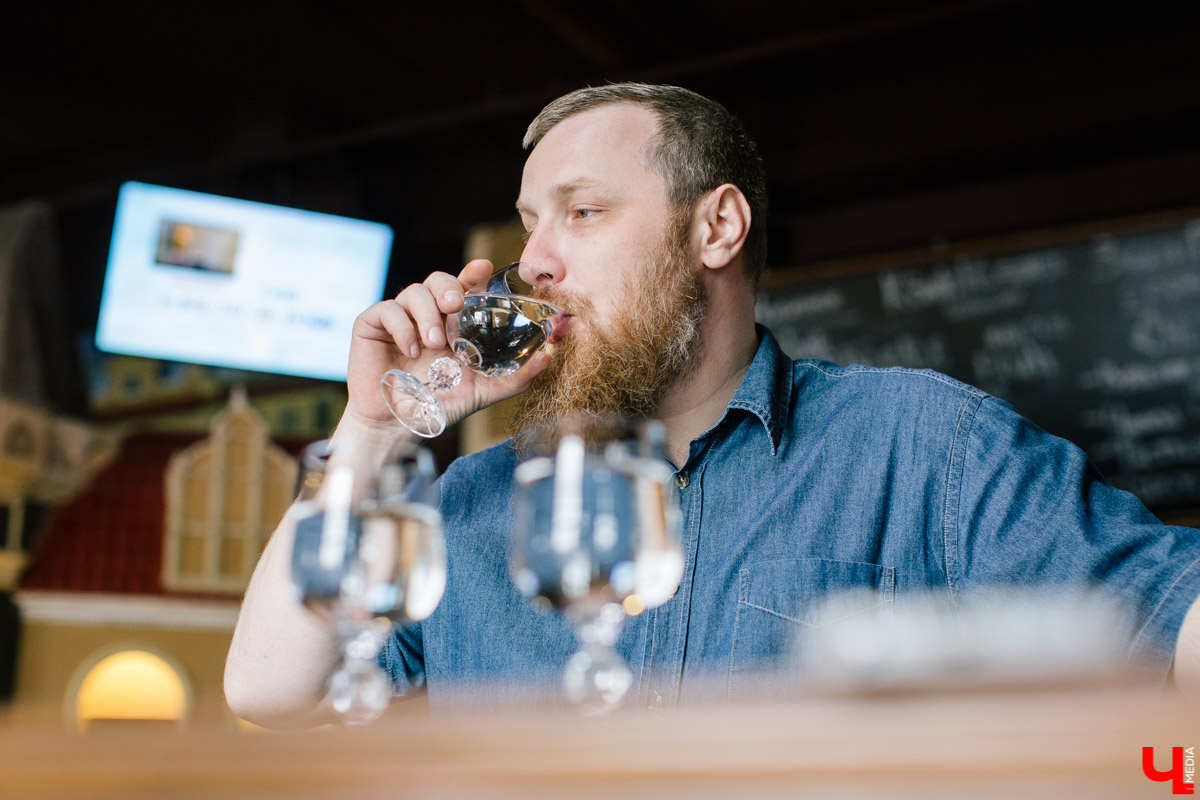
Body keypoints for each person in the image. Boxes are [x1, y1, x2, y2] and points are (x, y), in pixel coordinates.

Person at [224, 82, 1200, 728]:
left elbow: (1176, 625)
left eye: (583, 210)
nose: (535, 262)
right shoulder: (475, 496)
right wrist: (382, 421)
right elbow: (271, 690)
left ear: (717, 226)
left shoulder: (922, 443)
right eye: (531, 223)